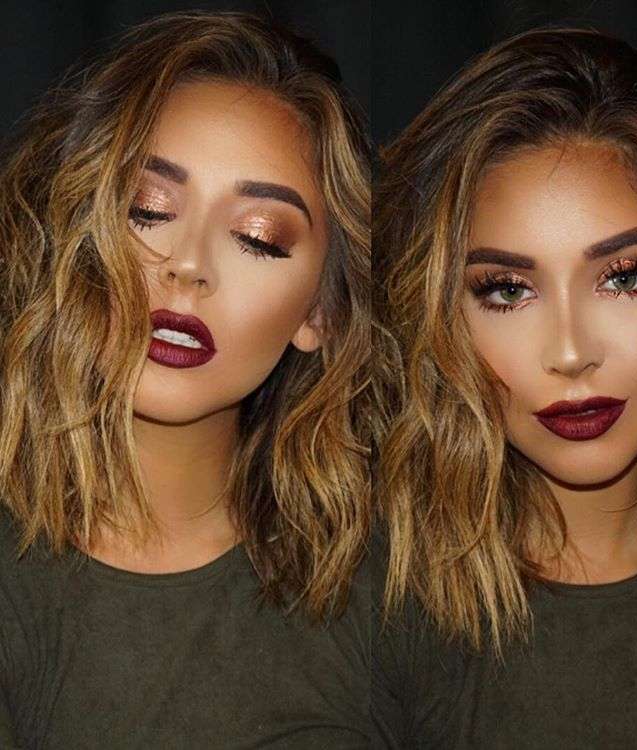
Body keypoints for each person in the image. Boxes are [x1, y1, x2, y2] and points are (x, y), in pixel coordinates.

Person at [0, 10, 370, 749]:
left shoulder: (397, 588)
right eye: (150, 209)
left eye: (258, 238)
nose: (189, 264)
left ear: (320, 313)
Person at [372, 27, 637, 749]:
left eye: (625, 278)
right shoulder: (366, 608)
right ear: (441, 319)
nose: (572, 353)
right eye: (508, 290)